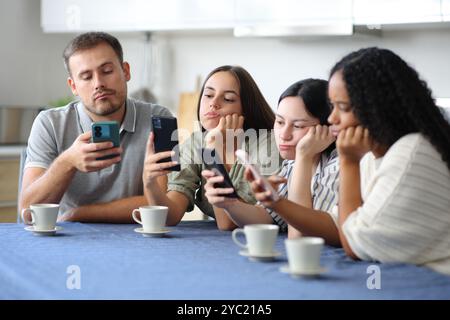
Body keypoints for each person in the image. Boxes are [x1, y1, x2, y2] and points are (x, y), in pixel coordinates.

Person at [20, 32, 173, 222]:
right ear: (73, 86)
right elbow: (28, 213)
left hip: (136, 239)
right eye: (86, 77)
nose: (98, 84)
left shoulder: (161, 120)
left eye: (107, 71)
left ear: (125, 71)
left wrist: (79, 214)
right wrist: (68, 162)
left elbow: (164, 205)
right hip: (68, 242)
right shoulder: (49, 123)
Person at [327, 47, 450, 274]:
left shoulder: (412, 153)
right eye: (331, 106)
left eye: (343, 108)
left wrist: (348, 162)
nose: (331, 118)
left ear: (377, 108)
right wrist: (277, 204)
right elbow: (339, 224)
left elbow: (354, 245)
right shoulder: (372, 156)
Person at [203, 79, 341, 244]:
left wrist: (304, 155)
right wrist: (229, 204)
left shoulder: (337, 167)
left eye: (297, 126)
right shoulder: (291, 165)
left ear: (328, 129)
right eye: (280, 122)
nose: (284, 134)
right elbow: (264, 217)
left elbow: (298, 236)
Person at [142, 65, 280, 230]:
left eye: (228, 99)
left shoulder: (269, 146)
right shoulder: (196, 142)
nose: (213, 104)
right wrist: (149, 182)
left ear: (246, 109)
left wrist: (215, 153)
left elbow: (228, 224)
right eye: (208, 95)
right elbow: (169, 217)